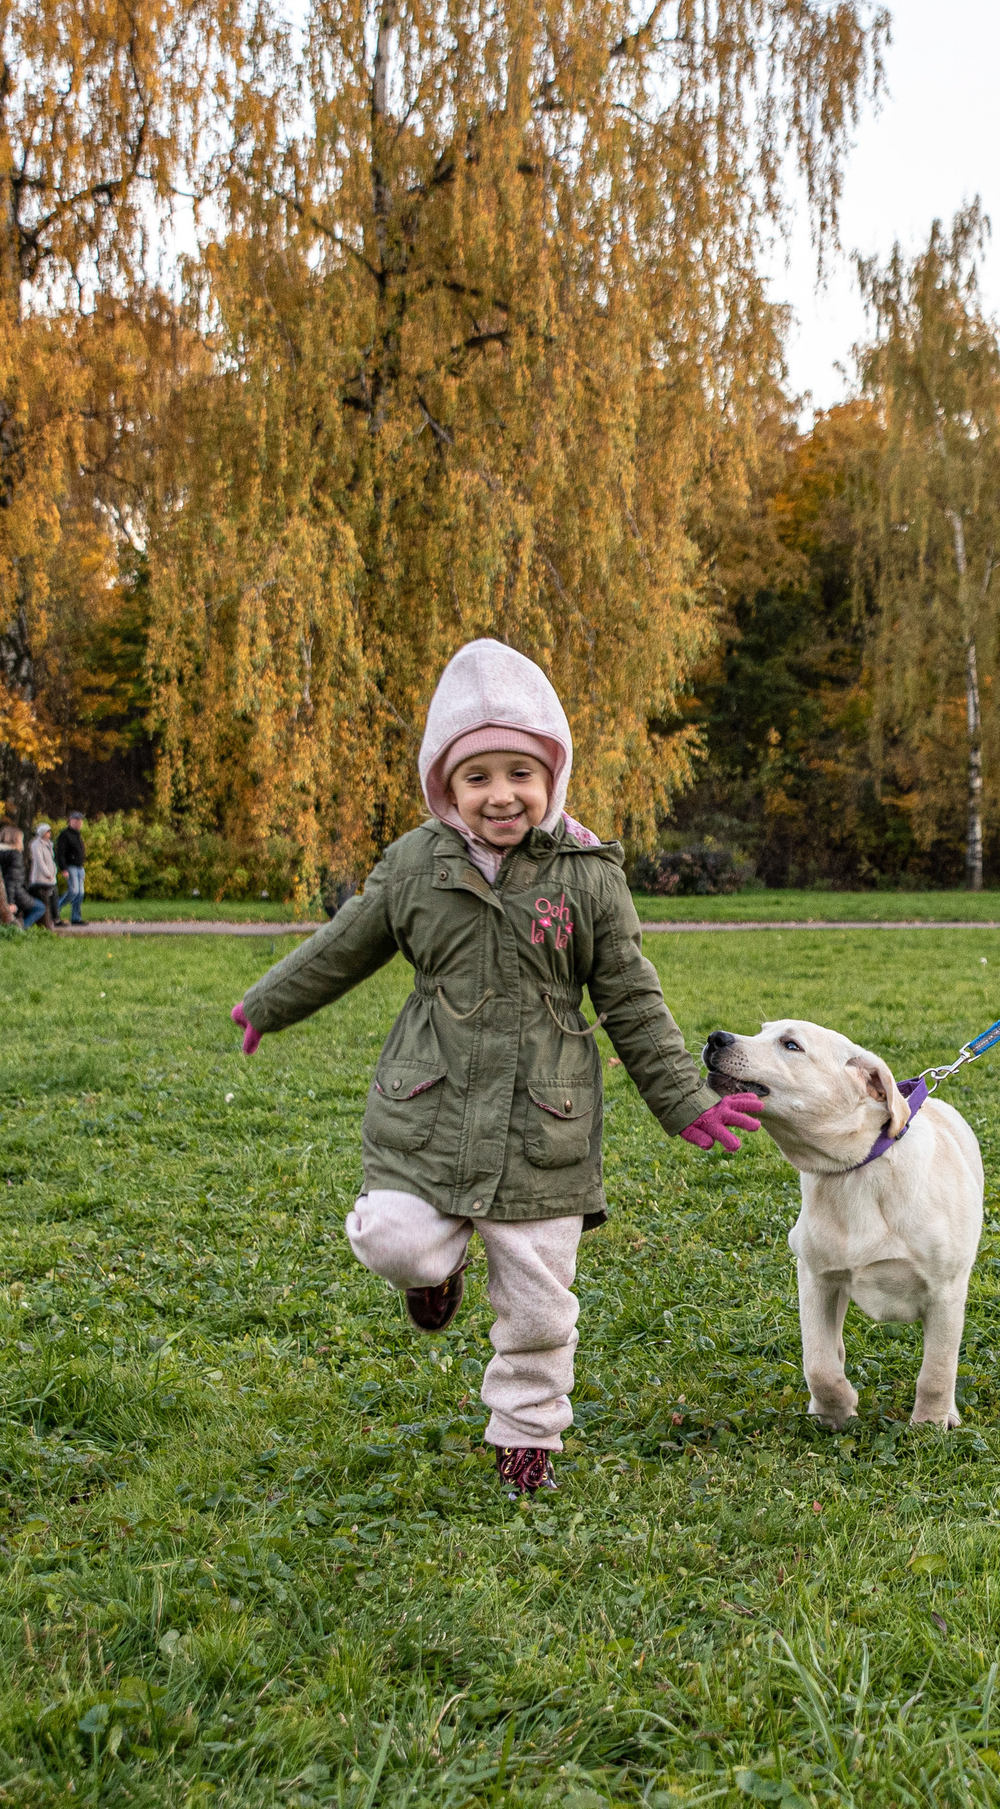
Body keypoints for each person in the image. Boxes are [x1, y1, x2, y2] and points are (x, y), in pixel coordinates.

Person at [227, 639, 765, 1493]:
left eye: (520, 771)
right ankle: (436, 1275)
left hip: (544, 1126)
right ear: (447, 787)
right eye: (477, 776)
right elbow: (344, 945)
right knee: (394, 1240)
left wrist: (684, 1100)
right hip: (427, 1108)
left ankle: (526, 1440)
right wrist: (269, 1002)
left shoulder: (588, 881)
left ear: (552, 776)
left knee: (540, 1304)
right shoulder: (414, 866)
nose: (501, 794)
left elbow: (631, 997)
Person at [0, 824, 29, 926]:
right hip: (14, 893)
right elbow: (12, 879)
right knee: (40, 908)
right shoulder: (15, 854)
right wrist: (10, 902)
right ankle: (21, 930)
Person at [25, 822, 59, 930]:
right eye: (47, 832)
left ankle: (55, 917)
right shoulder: (36, 844)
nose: (49, 834)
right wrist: (47, 873)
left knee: (54, 897)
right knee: (46, 898)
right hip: (41, 878)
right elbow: (40, 861)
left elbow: (51, 859)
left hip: (51, 877)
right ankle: (49, 920)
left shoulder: (49, 844)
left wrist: (53, 871)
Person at [56, 812, 88, 925]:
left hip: (79, 867)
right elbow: (60, 853)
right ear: (71, 821)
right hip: (70, 867)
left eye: (80, 821)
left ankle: (76, 917)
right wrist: (63, 868)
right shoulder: (65, 835)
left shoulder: (77, 835)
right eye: (76, 820)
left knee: (80, 894)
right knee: (73, 891)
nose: (79, 823)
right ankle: (55, 910)